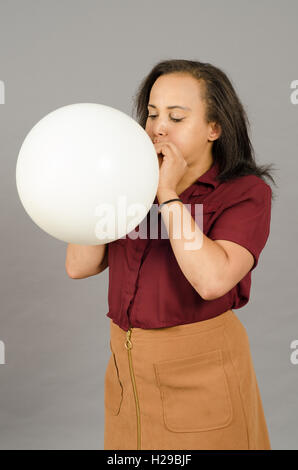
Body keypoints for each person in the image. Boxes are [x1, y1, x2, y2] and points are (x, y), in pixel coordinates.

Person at [66, 59, 278, 450]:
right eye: (151, 114)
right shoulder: (129, 183)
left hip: (203, 374)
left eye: (176, 117)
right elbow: (79, 265)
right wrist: (100, 186)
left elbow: (212, 280)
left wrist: (168, 194)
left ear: (214, 128)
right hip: (129, 375)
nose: (158, 127)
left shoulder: (245, 192)